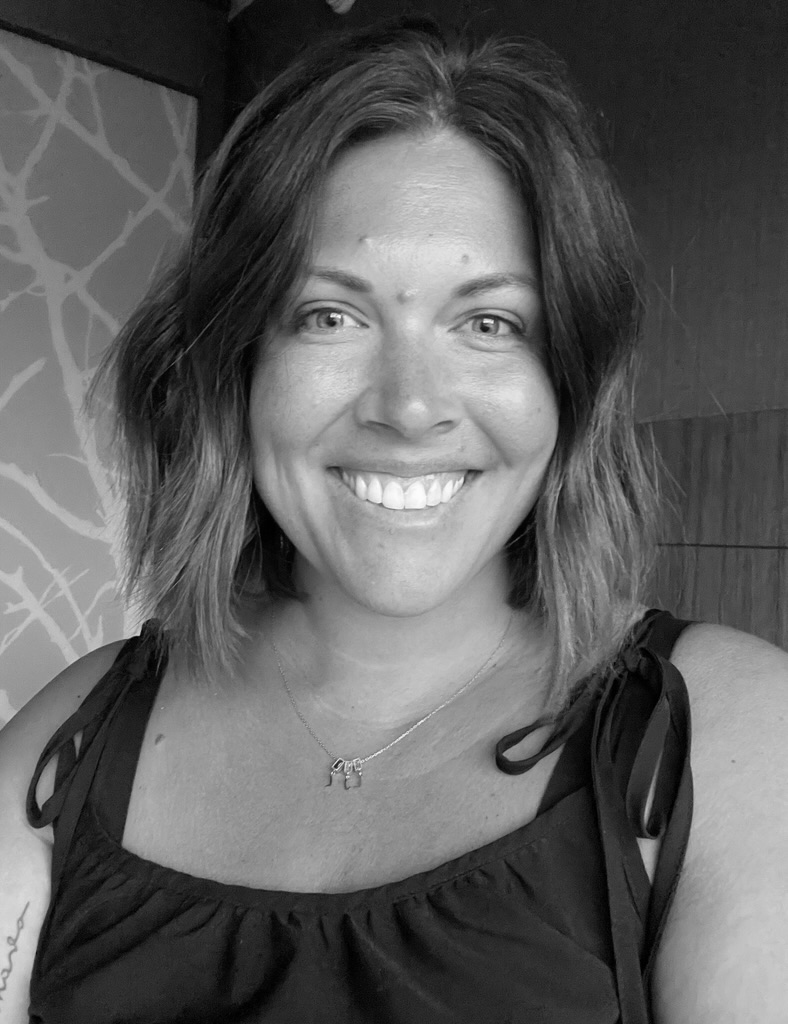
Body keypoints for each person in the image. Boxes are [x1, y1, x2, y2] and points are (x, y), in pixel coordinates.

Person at [1, 14, 786, 1024]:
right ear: (234, 365)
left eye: (487, 323)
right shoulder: (83, 728)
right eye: (330, 315)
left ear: (568, 386)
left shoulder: (725, 739)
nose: (409, 406)